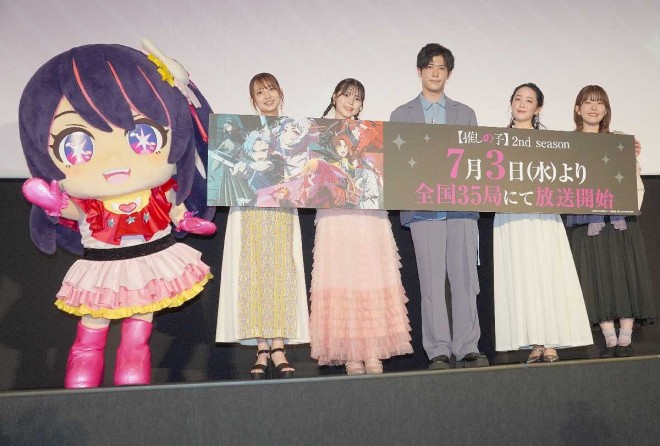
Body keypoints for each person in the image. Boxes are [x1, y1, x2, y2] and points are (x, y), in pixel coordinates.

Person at [19, 42, 216, 388]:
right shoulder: (90, 203)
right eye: (75, 145)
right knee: (91, 331)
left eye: (143, 136)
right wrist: (50, 201)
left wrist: (186, 220)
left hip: (150, 263)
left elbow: (175, 209)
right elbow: (68, 209)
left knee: (137, 332)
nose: (115, 162)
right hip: (102, 268)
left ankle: (132, 379)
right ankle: (82, 377)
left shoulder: (160, 190)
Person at [389, 43, 487, 369]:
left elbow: (477, 162)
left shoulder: (465, 113)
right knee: (431, 284)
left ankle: (468, 346)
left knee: (464, 281)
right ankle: (438, 350)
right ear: (419, 71)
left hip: (461, 208)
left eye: (442, 67)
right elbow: (398, 165)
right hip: (423, 210)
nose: (435, 72)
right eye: (429, 66)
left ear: (449, 73)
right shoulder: (401, 115)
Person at [309, 78, 413, 375]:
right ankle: (351, 355)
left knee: (369, 274)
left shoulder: (372, 135)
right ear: (334, 96)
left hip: (368, 217)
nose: (351, 102)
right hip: (336, 217)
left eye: (357, 98)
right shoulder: (317, 132)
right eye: (346, 95)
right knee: (343, 275)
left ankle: (372, 353)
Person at [215, 73, 309, 379]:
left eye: (270, 89)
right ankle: (261, 348)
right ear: (252, 100)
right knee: (253, 271)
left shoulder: (295, 131)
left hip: (281, 209)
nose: (266, 95)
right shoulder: (242, 133)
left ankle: (279, 346)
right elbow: (232, 174)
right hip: (249, 210)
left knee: (281, 271)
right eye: (259, 92)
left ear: (281, 93)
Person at [493, 83, 592, 362]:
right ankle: (534, 342)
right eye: (517, 99)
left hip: (543, 215)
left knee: (546, 273)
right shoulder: (494, 140)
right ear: (511, 103)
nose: (522, 104)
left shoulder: (551, 142)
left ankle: (550, 341)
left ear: (539, 108)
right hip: (511, 217)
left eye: (529, 100)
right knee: (520, 274)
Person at [566, 85, 655, 357]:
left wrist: (630, 157)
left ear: (606, 110)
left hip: (619, 220)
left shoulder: (619, 141)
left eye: (599, 103)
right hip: (586, 222)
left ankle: (626, 330)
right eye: (588, 102)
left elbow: (633, 181)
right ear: (578, 109)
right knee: (595, 274)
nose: (594, 107)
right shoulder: (566, 143)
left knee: (623, 272)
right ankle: (607, 332)